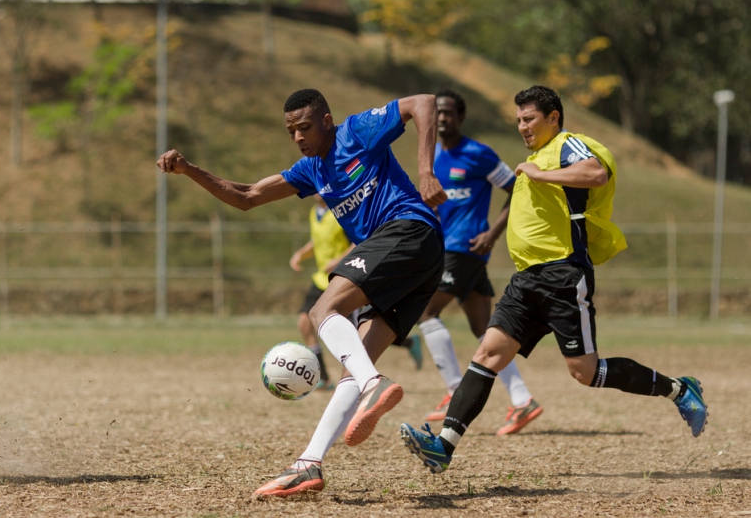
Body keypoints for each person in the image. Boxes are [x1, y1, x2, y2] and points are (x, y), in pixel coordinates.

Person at [399, 85, 708, 475]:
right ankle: (444, 445)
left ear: (554, 118)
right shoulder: (539, 156)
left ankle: (680, 389)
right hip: (526, 278)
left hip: (562, 274)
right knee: (488, 354)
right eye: (518, 121)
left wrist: (541, 174)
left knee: (585, 372)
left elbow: (596, 173)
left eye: (529, 119)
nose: (522, 127)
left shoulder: (567, 145)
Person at [157, 88, 447, 498]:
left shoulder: (359, 131)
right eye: (291, 130)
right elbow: (247, 196)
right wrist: (189, 169)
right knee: (355, 363)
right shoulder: (310, 169)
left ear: (327, 121)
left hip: (408, 230)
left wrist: (425, 171)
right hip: (421, 261)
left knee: (323, 309)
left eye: (305, 127)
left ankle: (374, 385)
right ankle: (308, 464)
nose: (298, 137)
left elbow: (424, 102)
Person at [406, 89, 543, 436]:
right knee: (486, 332)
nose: (441, 119)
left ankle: (454, 389)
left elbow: (517, 189)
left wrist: (492, 234)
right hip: (448, 246)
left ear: (460, 117)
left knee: (425, 312)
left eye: (448, 113)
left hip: (465, 248)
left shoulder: (478, 154)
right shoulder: (433, 155)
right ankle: (522, 399)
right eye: (436, 113)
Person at [289, 194, 354, 390]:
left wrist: (338, 261)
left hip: (342, 279)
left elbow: (358, 242)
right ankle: (323, 378)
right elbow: (316, 242)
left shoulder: (343, 211)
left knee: (353, 333)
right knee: (304, 321)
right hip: (321, 279)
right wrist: (301, 254)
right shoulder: (314, 213)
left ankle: (358, 378)